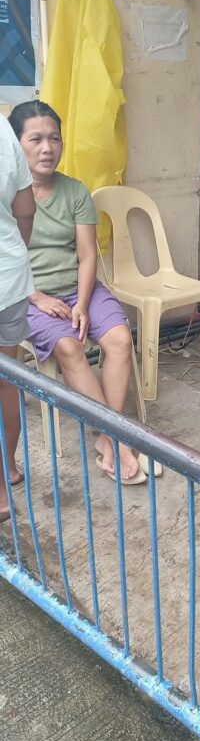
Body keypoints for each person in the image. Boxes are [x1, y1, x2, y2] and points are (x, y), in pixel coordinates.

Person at [9, 100, 146, 485]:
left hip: (80, 288)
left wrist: (82, 304)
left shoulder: (74, 191)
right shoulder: (6, 196)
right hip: (28, 295)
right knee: (69, 348)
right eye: (35, 139)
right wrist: (36, 296)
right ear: (16, 145)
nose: (47, 148)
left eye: (54, 138)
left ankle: (108, 437)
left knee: (120, 339)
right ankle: (118, 441)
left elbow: (87, 255)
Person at [0, 113, 36, 521]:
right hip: (8, 274)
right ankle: (7, 468)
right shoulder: (3, 130)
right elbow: (25, 209)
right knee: (7, 378)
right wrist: (14, 250)